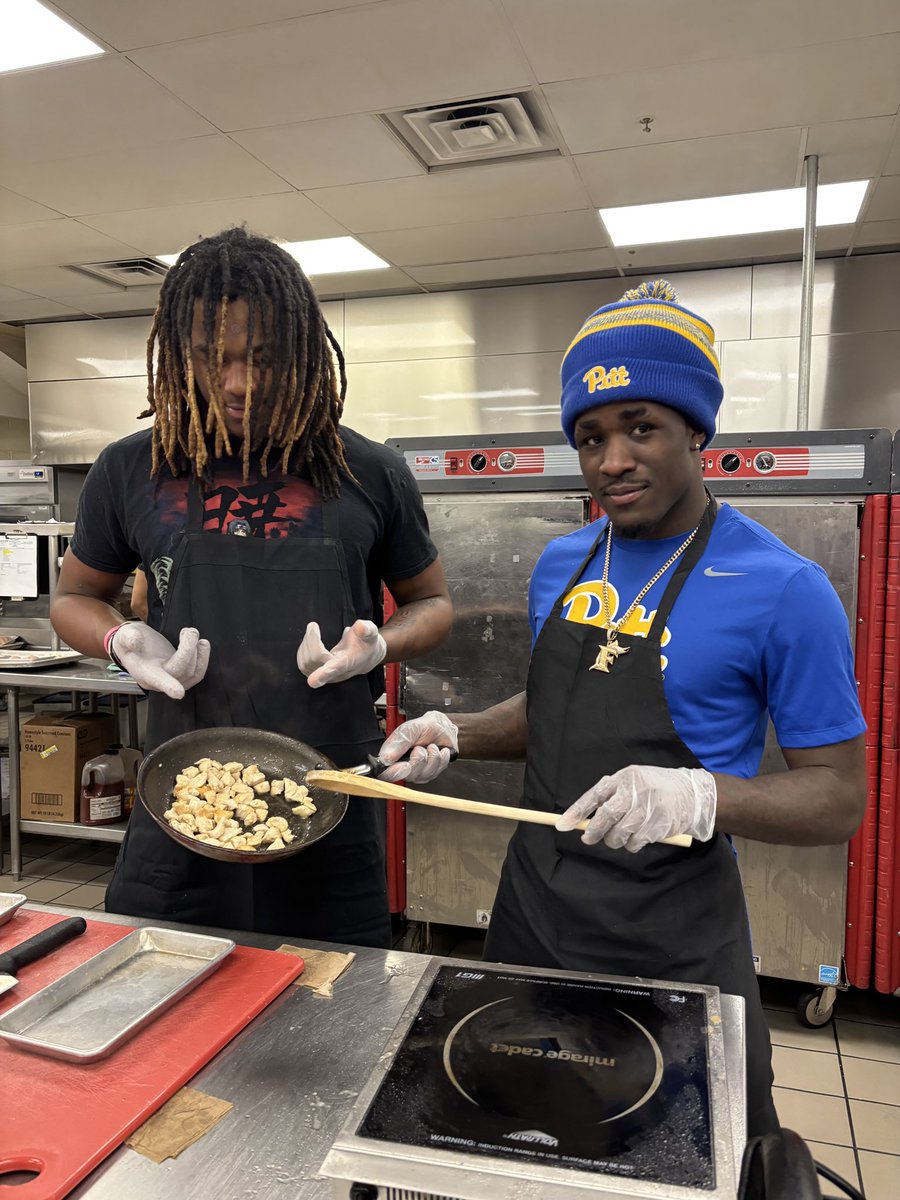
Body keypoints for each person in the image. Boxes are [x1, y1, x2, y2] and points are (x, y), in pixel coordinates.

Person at [376, 280, 867, 1137]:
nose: (612, 461)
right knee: (517, 1151)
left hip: (673, 940)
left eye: (641, 427)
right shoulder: (566, 561)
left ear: (697, 431)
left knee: (692, 1155)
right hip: (532, 921)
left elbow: (837, 796)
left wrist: (698, 796)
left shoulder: (786, 588)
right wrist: (456, 734)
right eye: (591, 436)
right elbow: (559, 710)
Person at [51, 226, 453, 948]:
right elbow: (71, 597)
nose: (239, 382)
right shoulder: (130, 469)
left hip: (332, 803)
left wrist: (379, 645)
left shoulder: (370, 471)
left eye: (262, 358)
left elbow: (434, 605)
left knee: (332, 1026)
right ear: (181, 356)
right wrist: (120, 637)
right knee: (168, 1021)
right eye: (214, 359)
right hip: (183, 809)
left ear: (302, 350)